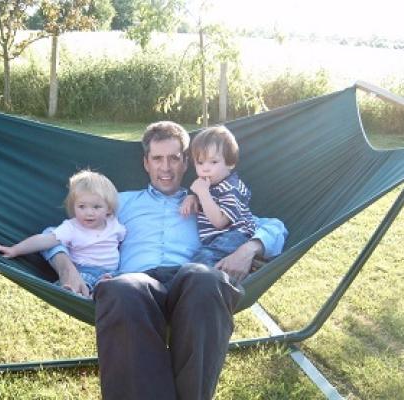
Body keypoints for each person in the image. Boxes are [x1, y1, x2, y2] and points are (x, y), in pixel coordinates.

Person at [41, 121, 287, 399]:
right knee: (119, 289)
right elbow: (54, 235)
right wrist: (67, 270)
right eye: (157, 158)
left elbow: (274, 226)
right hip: (138, 283)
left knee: (207, 279)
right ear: (146, 163)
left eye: (174, 158)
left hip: (190, 281)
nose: (166, 168)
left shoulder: (211, 203)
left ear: (186, 163)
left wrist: (249, 249)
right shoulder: (120, 203)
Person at [0, 170, 126, 294]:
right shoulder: (71, 228)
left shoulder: (114, 225)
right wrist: (15, 250)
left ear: (108, 209)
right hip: (83, 270)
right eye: (82, 207)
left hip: (111, 272)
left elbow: (120, 244)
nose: (89, 213)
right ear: (74, 207)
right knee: (84, 280)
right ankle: (74, 292)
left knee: (124, 281)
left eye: (96, 207)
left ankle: (101, 289)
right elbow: (43, 240)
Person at [180, 126, 256, 269]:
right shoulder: (210, 186)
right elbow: (208, 203)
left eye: (213, 162)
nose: (205, 168)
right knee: (200, 260)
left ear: (230, 163)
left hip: (236, 236)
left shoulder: (231, 187)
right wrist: (193, 198)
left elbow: (220, 222)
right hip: (216, 241)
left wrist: (202, 193)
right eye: (200, 162)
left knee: (201, 261)